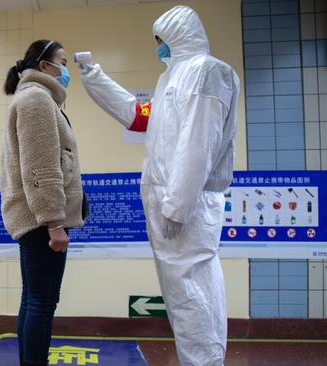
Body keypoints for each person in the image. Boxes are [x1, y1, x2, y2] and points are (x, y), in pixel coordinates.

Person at [76, 6, 239, 366]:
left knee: (193, 294)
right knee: (182, 295)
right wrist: (94, 76)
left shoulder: (207, 72)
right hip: (170, 203)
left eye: (159, 40)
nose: (158, 47)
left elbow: (199, 146)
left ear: (176, 35)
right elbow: (136, 117)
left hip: (186, 207)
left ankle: (205, 363)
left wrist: (177, 206)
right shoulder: (172, 79)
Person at [1, 39, 87, 366]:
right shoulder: (37, 99)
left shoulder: (38, 99)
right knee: (42, 301)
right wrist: (54, 221)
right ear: (43, 65)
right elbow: (41, 165)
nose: (66, 70)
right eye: (62, 62)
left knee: (33, 299)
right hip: (41, 219)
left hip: (35, 216)